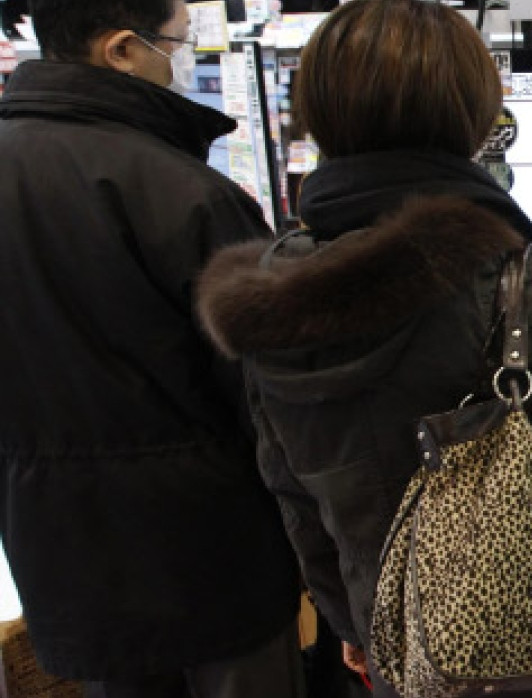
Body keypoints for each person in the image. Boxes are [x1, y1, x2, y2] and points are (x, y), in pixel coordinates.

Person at [193, 2, 532, 697]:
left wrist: (354, 625)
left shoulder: (272, 306)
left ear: (319, 111)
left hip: (408, 645)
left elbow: (294, 496)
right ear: (474, 116)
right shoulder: (527, 284)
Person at [0, 0, 304, 696]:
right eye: (179, 40)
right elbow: (264, 392)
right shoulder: (185, 194)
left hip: (60, 550)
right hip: (210, 554)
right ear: (121, 50)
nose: (185, 58)